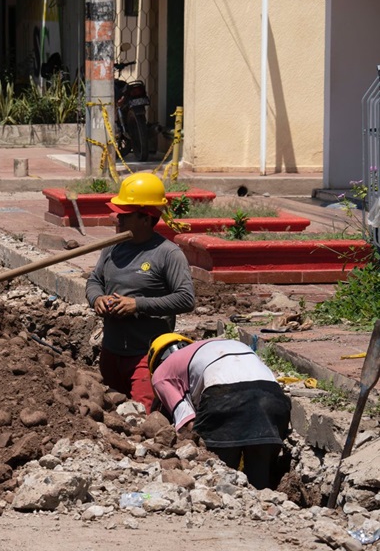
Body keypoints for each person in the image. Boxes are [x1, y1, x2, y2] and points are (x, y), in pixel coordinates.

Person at [84, 173, 195, 412]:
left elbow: (186, 298)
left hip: (146, 356)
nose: (118, 219)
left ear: (146, 218)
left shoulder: (167, 253)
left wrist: (138, 304)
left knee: (139, 417)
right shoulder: (113, 248)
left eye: (125, 215)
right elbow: (95, 280)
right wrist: (97, 298)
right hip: (111, 351)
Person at [148, 334, 292, 490]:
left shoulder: (160, 374)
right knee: (260, 478)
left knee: (221, 476)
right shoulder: (220, 344)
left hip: (225, 398)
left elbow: (187, 422)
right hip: (273, 398)